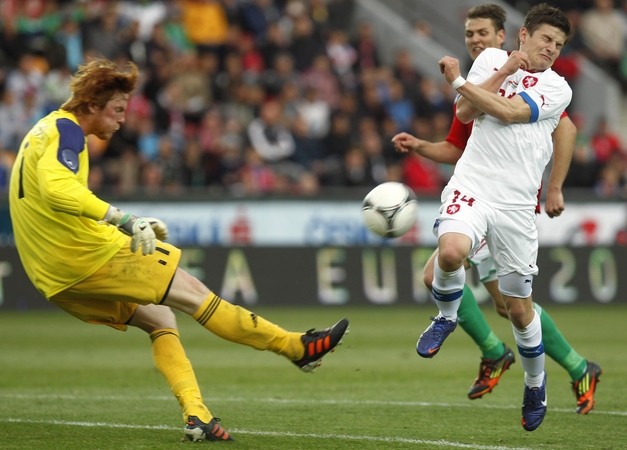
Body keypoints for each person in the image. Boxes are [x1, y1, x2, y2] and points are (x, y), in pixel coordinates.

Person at [8, 58, 349, 442]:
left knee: (160, 319)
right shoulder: (68, 130)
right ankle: (295, 347)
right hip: (85, 256)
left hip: (52, 276)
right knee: (196, 295)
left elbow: (48, 200)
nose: (122, 119)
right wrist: (122, 219)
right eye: (117, 110)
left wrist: (116, 224)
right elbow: (57, 189)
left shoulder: (43, 130)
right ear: (91, 105)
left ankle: (197, 417)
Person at [393, 3, 602, 418]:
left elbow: (521, 115)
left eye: (558, 44)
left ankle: (544, 378)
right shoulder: (489, 63)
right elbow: (464, 116)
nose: (475, 41)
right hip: (473, 187)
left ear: (506, 34)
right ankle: (456, 324)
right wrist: (498, 73)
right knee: (448, 255)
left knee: (515, 308)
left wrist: (554, 188)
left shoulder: (557, 87)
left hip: (516, 205)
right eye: (469, 34)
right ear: (525, 36)